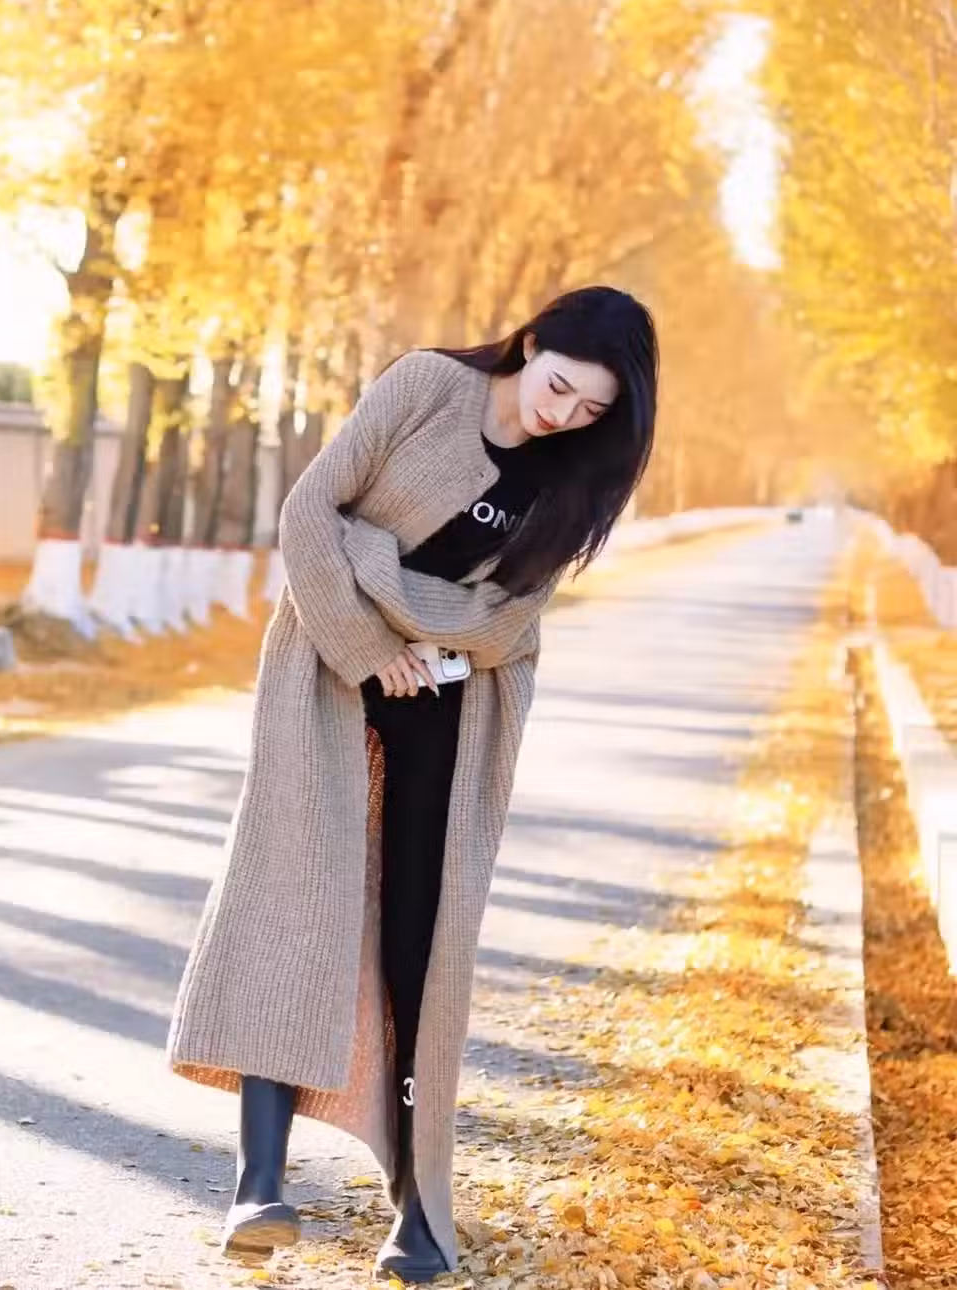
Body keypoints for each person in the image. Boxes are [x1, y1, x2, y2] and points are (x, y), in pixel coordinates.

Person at [166, 285, 659, 1282]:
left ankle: (417, 1210)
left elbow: (504, 623)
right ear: (530, 344)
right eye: (558, 388)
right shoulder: (427, 388)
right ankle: (258, 1187)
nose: (563, 416)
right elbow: (310, 512)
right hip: (325, 679)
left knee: (417, 946)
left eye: (590, 410)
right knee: (293, 909)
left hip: (452, 712)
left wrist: (374, 563)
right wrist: (365, 644)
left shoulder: (571, 482)